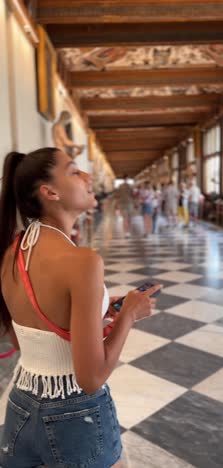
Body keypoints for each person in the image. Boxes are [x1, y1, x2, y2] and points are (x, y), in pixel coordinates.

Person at [0, 148, 161, 467]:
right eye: (74, 171)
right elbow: (91, 378)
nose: (88, 177)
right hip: (74, 415)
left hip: (20, 406)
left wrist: (96, 309)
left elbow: (26, 336)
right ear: (50, 192)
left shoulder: (13, 251)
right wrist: (129, 313)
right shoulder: (83, 261)